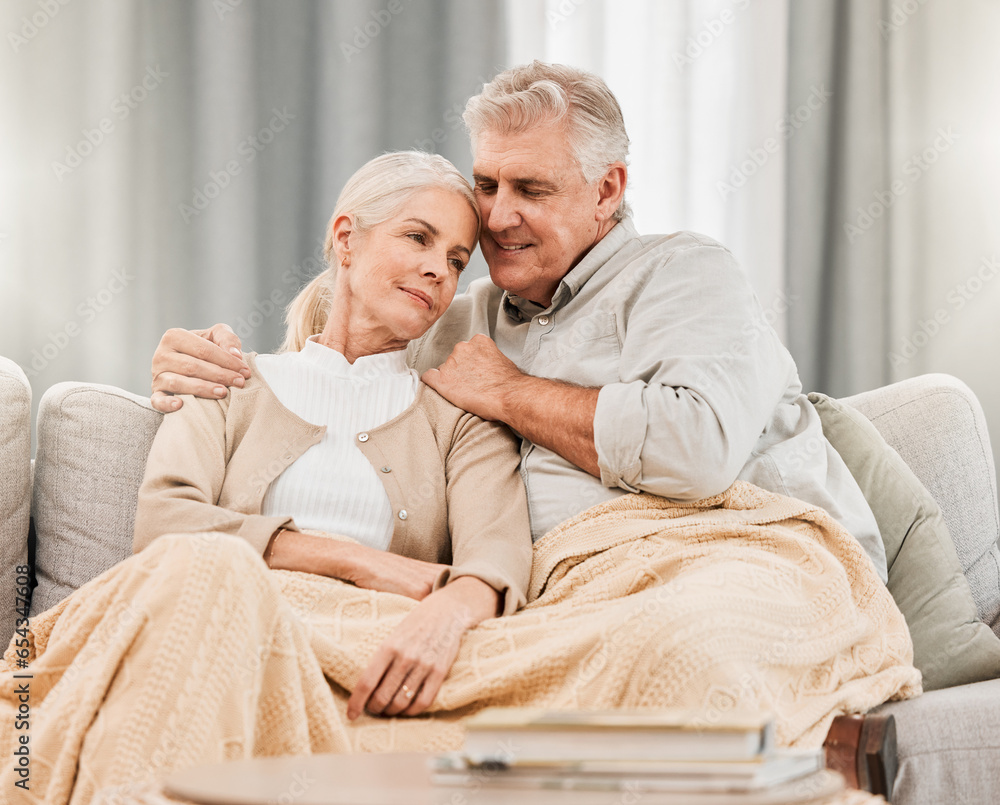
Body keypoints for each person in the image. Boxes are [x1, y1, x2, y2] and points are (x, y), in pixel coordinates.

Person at [150, 61, 889, 584]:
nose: (497, 218)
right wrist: (199, 366)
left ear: (608, 189)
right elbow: (331, 388)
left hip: (734, 557)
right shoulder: (454, 319)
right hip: (568, 594)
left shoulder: (684, 273)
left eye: (531, 188)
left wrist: (509, 394)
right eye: (487, 184)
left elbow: (693, 447)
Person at [0, 152, 535, 803]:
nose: (437, 269)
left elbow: (497, 556)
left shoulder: (459, 416)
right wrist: (357, 561)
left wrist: (448, 611)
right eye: (418, 237)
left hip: (348, 656)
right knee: (211, 567)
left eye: (456, 259)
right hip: (210, 629)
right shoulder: (227, 380)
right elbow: (166, 523)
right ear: (346, 238)